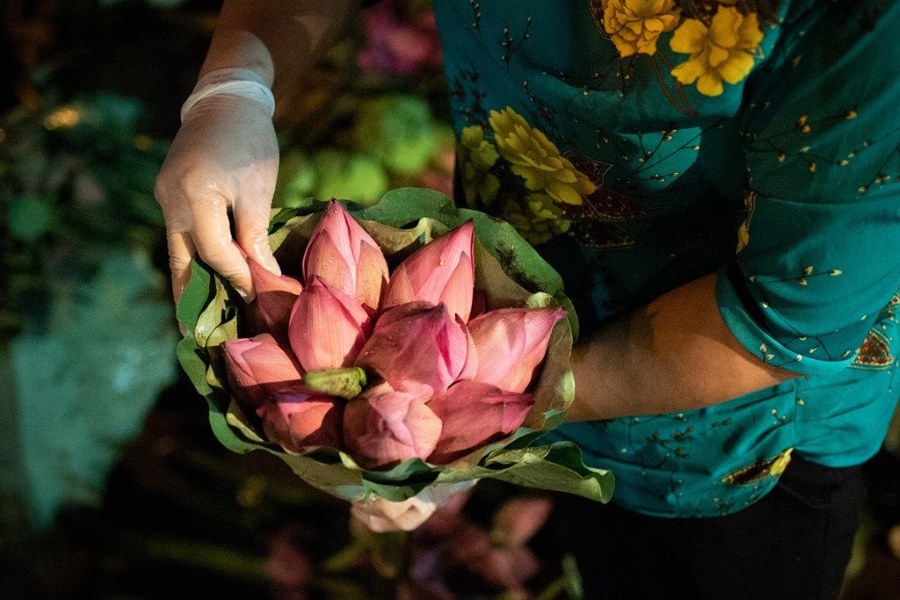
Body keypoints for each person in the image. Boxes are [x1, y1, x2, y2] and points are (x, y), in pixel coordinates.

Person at [154, 1, 900, 598]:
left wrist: (472, 416)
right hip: (499, 327)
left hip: (724, 440)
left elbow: (777, 323)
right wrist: (239, 81)